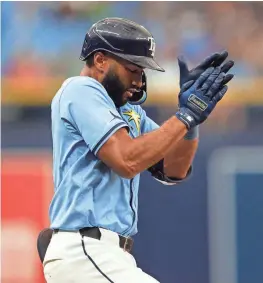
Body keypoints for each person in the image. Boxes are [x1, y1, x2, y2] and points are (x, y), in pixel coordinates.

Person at [41, 17, 234, 283]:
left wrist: (190, 123)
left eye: (142, 70)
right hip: (85, 250)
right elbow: (126, 160)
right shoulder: (80, 89)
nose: (140, 79)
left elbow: (173, 170)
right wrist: (186, 116)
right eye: (133, 68)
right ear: (100, 60)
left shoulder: (130, 112)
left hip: (108, 255)